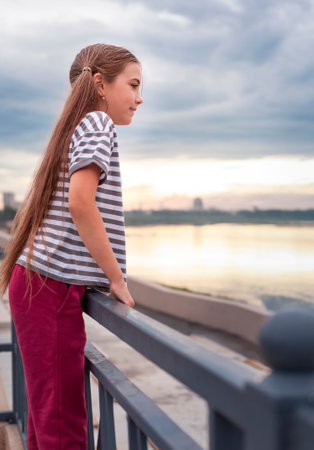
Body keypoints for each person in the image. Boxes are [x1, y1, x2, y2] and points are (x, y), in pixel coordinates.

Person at [0, 43, 143, 449]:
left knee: (50, 419)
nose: (139, 96)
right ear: (100, 84)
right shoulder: (98, 124)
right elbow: (81, 202)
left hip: (42, 287)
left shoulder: (77, 124)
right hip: (51, 291)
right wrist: (116, 278)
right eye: (132, 85)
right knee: (62, 426)